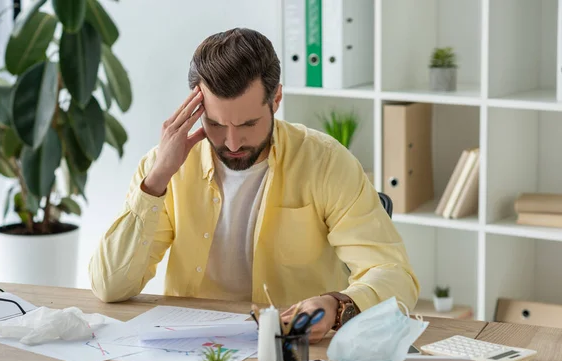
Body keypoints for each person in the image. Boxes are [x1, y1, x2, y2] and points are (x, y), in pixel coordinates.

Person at [88, 27, 419, 343]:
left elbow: (394, 274)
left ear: (275, 99)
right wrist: (156, 180)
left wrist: (337, 305)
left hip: (293, 349)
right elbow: (110, 286)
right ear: (195, 106)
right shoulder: (165, 168)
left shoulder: (327, 162)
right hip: (194, 352)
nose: (231, 142)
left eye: (248, 123)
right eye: (215, 123)